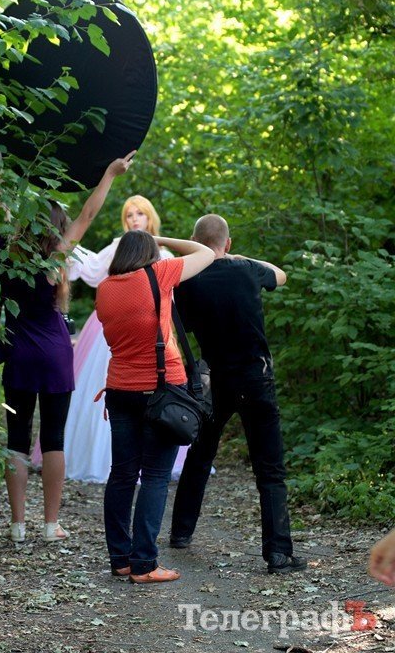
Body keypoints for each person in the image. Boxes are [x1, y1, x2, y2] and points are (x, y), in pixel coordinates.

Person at [0, 153, 134, 543]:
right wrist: (108, 173)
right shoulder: (58, 256)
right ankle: (50, 525)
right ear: (58, 228)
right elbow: (88, 214)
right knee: (53, 436)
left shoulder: (6, 247)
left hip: (18, 351)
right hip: (56, 353)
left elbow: (2, 206)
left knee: (17, 437)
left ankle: (18, 525)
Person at [169, 214, 307, 575]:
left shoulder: (186, 282)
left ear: (194, 241)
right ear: (228, 244)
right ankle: (278, 554)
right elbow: (280, 274)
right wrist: (235, 258)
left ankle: (180, 534)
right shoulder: (248, 270)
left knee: (200, 455)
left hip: (214, 381)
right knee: (270, 468)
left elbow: (177, 325)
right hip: (255, 378)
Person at [29, 195, 186, 482]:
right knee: (106, 392)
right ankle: (102, 460)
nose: (135, 219)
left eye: (140, 214)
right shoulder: (117, 248)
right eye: (129, 215)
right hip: (110, 332)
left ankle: (154, 456)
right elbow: (89, 267)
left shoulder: (166, 256)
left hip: (154, 335)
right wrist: (63, 243)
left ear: (151, 217)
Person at [95, 230, 214, 583]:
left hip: (119, 389)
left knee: (122, 475)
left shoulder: (105, 288)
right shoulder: (158, 273)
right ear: (150, 253)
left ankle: (121, 559)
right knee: (156, 476)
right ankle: (145, 564)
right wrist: (162, 237)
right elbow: (206, 252)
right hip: (162, 391)